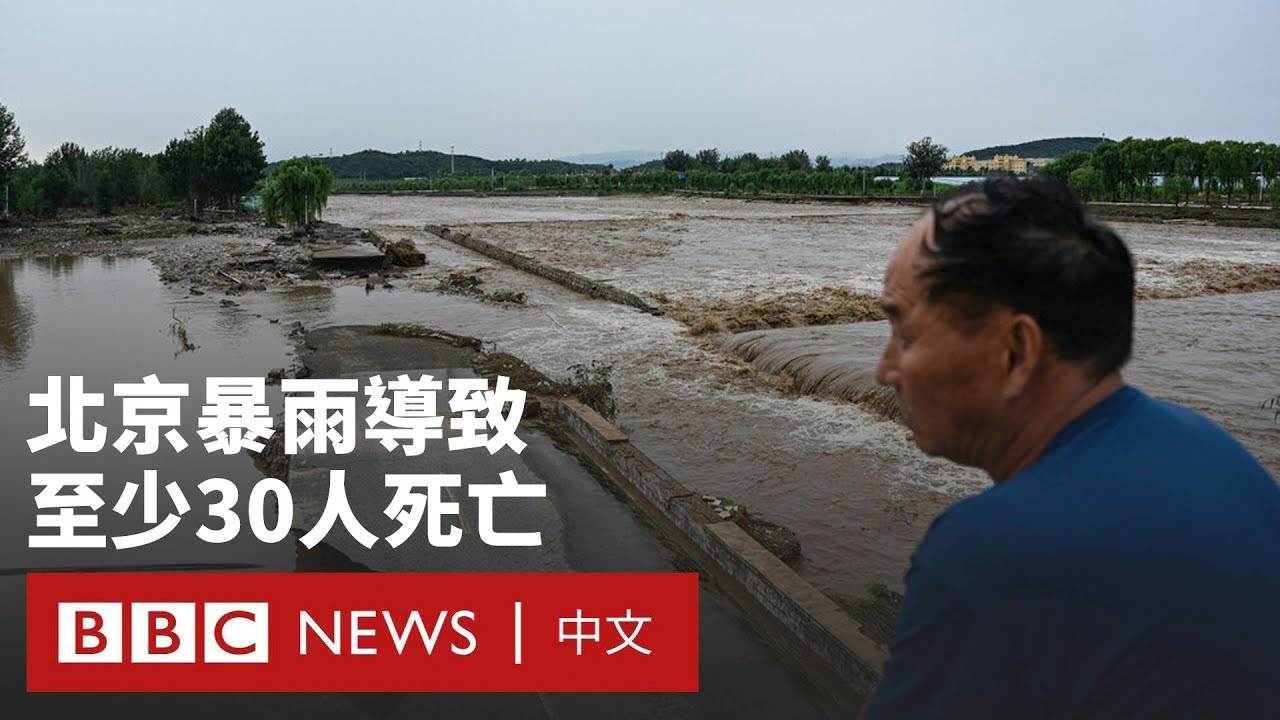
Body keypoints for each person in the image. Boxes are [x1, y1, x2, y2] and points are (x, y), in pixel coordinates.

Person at [864, 177, 1280, 718]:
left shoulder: (991, 553)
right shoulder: (1213, 449)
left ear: (1016, 352)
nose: (884, 370)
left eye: (905, 334)